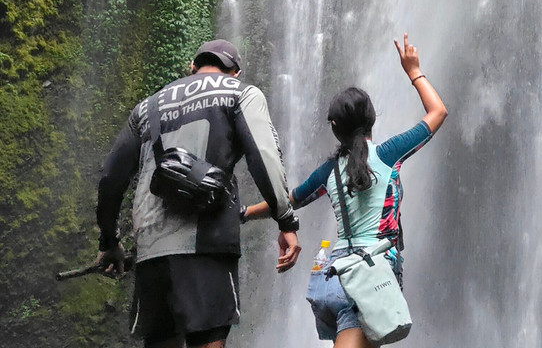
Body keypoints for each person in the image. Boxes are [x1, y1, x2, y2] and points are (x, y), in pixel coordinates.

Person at [243, 33, 447, 348]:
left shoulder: (328, 172)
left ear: (335, 128)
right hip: (369, 276)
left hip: (332, 276)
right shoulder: (389, 153)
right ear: (372, 119)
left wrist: (243, 213)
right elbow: (437, 112)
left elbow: (284, 202)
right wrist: (413, 71)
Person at [95, 39, 302, 348]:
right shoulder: (239, 92)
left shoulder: (147, 107)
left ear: (191, 67)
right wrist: (286, 222)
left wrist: (109, 241)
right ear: (235, 72)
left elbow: (111, 178)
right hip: (206, 245)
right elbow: (264, 158)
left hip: (152, 251)